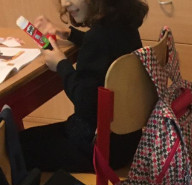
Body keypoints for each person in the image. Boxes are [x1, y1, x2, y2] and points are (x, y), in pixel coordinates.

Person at [19, 0, 149, 173]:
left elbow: (84, 103)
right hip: (126, 141)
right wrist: (70, 34)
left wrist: (61, 65)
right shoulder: (123, 24)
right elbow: (104, 46)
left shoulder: (97, 38)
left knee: (14, 147)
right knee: (22, 140)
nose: (65, 3)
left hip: (97, 148)